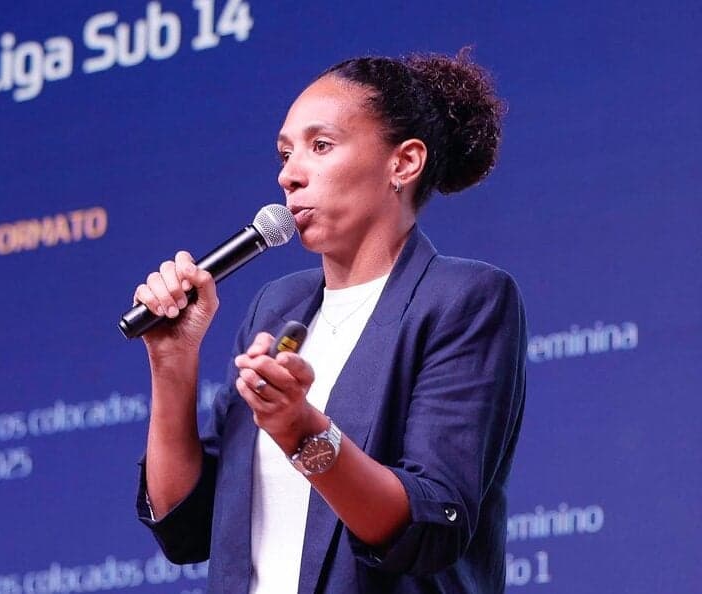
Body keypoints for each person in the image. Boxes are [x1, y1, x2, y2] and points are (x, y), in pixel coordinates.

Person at [133, 49, 526, 594]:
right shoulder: (277, 306)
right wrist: (171, 362)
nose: (289, 175)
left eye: (320, 146)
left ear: (403, 163)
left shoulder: (464, 298)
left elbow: (429, 526)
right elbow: (187, 529)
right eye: (284, 153)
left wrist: (301, 430)